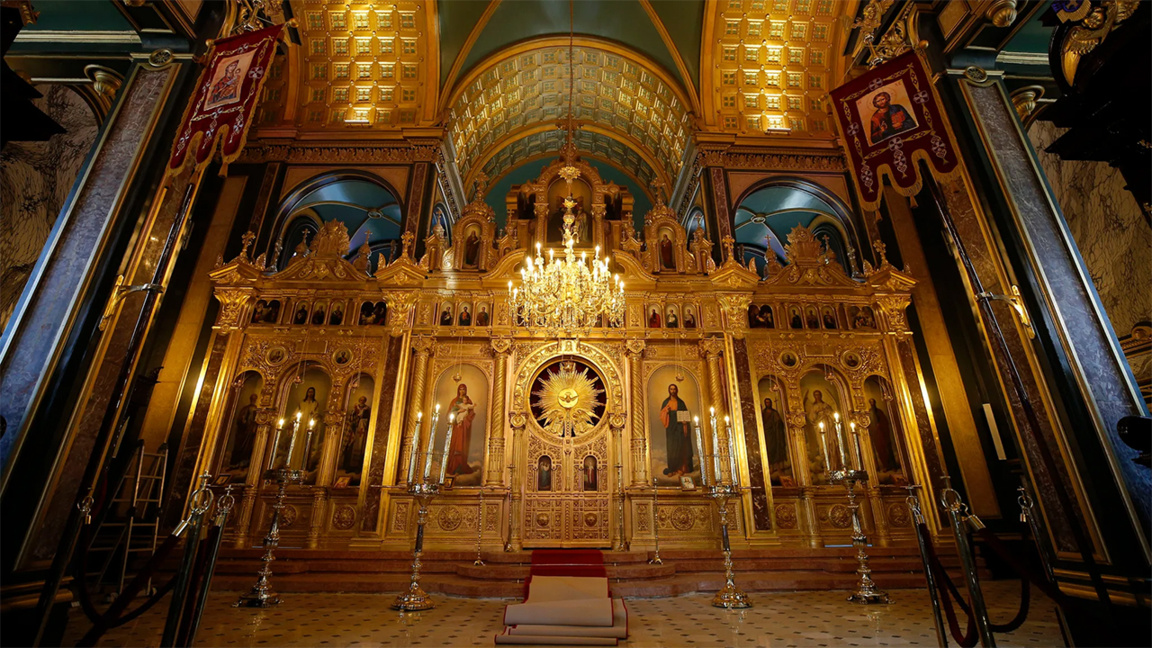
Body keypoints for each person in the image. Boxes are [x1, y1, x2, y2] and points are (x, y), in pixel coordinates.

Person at [659, 383, 693, 477]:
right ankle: (672, 469)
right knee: (671, 448)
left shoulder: (681, 402)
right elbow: (662, 415)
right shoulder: (666, 402)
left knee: (680, 447)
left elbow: (685, 414)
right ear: (669, 390)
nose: (673, 391)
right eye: (671, 389)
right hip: (671, 428)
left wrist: (685, 422)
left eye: (674, 389)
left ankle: (679, 468)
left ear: (676, 390)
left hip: (679, 428)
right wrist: (666, 410)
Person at [445, 383, 477, 475]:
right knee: (454, 445)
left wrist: (465, 420)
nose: (462, 391)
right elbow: (449, 415)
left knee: (462, 445)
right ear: (458, 390)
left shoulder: (468, 401)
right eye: (460, 389)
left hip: (464, 428)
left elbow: (471, 413)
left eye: (463, 389)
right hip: (455, 427)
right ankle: (452, 465)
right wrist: (458, 412)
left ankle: (461, 465)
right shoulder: (454, 401)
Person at [804, 389, 837, 471]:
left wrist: (827, 413)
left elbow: (833, 417)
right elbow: (812, 418)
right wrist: (817, 413)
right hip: (819, 428)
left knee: (830, 445)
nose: (817, 396)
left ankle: (833, 465)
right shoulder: (813, 407)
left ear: (821, 396)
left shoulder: (826, 405)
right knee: (822, 446)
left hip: (828, 427)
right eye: (815, 395)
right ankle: (825, 465)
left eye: (818, 394)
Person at [761, 397, 789, 483]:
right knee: (768, 449)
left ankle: (777, 466)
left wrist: (777, 424)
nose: (767, 404)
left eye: (768, 402)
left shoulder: (774, 412)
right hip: (766, 433)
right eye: (766, 402)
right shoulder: (763, 413)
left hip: (774, 433)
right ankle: (770, 466)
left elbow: (779, 423)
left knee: (774, 448)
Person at [868, 398, 899, 473]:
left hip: (883, 434)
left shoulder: (879, 412)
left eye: (873, 402)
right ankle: (885, 465)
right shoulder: (869, 413)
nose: (872, 404)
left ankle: (892, 465)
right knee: (880, 451)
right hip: (876, 436)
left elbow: (885, 422)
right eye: (870, 402)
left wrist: (880, 425)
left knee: (887, 449)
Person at [343, 396, 371, 472]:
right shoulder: (355, 407)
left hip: (362, 429)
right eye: (361, 400)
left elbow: (367, 419)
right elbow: (351, 417)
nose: (362, 401)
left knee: (360, 446)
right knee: (351, 445)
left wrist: (363, 422)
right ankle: (349, 466)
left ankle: (358, 467)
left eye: (363, 400)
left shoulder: (366, 409)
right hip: (354, 429)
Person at [230, 393, 259, 467]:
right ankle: (236, 462)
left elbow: (256, 420)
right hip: (244, 431)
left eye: (255, 398)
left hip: (251, 430)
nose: (253, 400)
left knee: (248, 446)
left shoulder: (256, 408)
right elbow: (241, 419)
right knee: (241, 445)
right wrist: (244, 422)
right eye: (253, 398)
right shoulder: (245, 408)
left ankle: (245, 462)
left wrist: (254, 427)